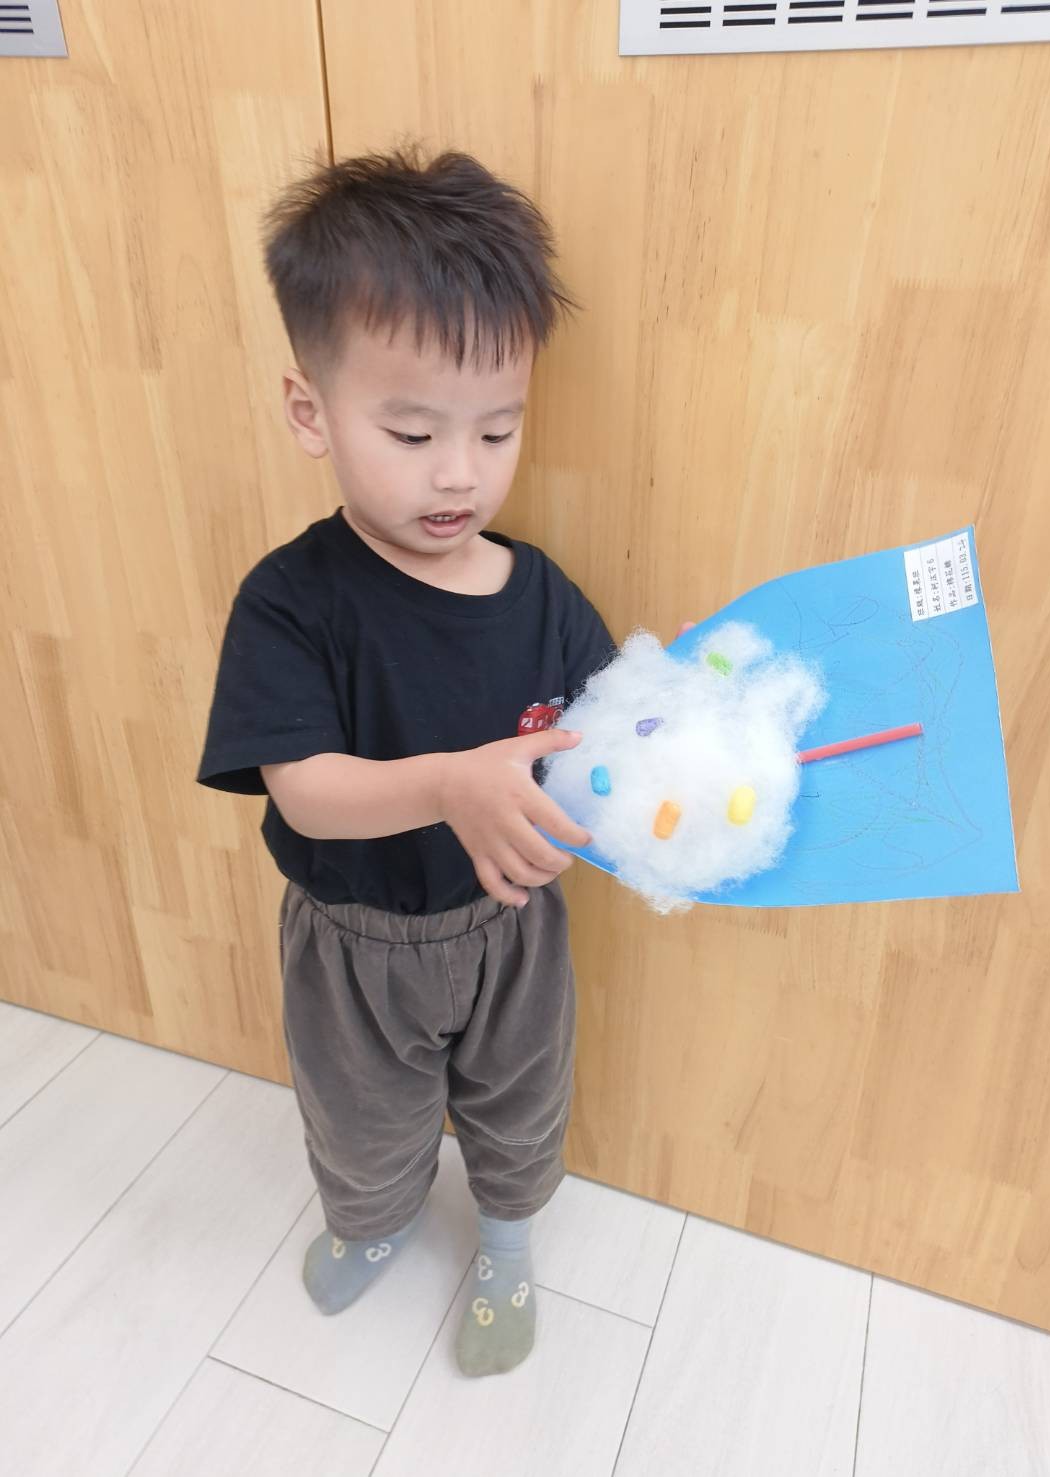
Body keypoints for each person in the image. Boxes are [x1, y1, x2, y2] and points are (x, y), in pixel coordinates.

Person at [196, 144, 617, 1379]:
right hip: (354, 940)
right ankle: (375, 1219)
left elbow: (603, 737)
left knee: (518, 1098)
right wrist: (445, 783)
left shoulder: (542, 593)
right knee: (360, 1113)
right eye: (413, 429)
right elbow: (303, 788)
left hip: (513, 928)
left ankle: (505, 1242)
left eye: (498, 428)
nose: (458, 471)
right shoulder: (291, 601)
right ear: (311, 413)